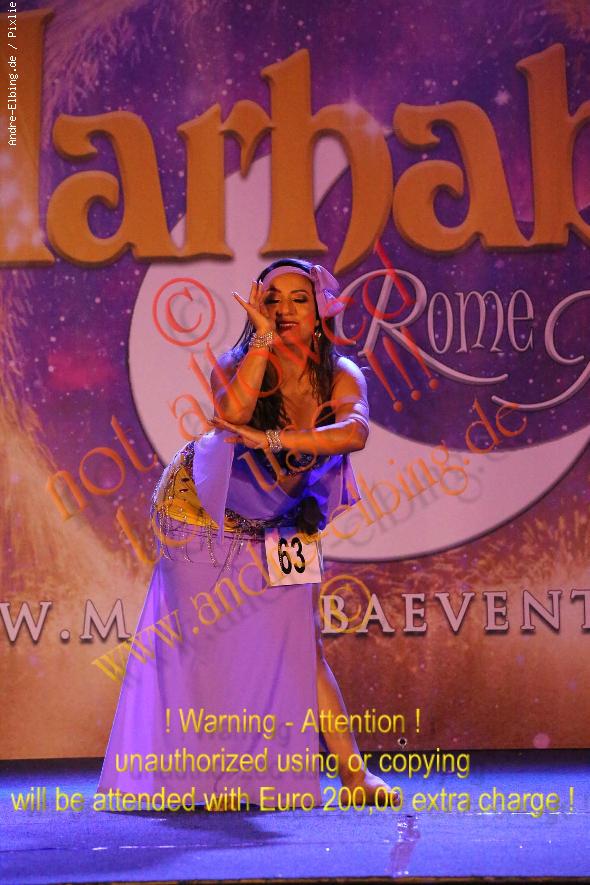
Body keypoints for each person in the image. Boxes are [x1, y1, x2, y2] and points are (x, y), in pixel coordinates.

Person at [97, 257, 400, 811]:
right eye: (272, 299)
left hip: (284, 522)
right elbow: (231, 412)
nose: (285, 309)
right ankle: (205, 780)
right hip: (201, 518)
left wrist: (275, 441)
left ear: (321, 311)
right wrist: (261, 341)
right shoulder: (238, 362)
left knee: (301, 647)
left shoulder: (341, 373)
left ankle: (355, 777)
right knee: (205, 647)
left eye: (299, 299)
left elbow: (354, 432)